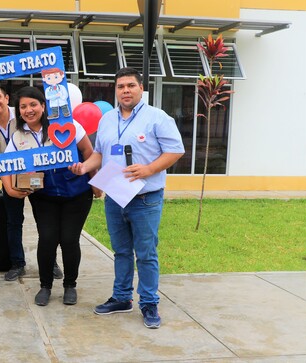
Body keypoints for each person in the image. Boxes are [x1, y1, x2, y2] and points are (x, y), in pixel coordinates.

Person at [69, 67, 185, 329]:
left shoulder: (158, 117)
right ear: (115, 90)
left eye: (130, 85)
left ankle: (149, 303)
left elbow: (176, 150)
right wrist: (84, 168)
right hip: (115, 197)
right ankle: (122, 298)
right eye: (120, 86)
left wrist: (149, 169)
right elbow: (99, 154)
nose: (125, 90)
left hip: (145, 198)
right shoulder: (107, 119)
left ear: (141, 88)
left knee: (145, 254)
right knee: (121, 251)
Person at [1, 86, 96, 307]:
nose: (28, 110)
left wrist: (95, 181)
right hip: (44, 196)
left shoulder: (67, 125)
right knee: (48, 239)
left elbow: (89, 152)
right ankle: (45, 286)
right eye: (23, 106)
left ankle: (70, 286)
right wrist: (11, 189)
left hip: (77, 193)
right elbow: (5, 165)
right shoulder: (18, 136)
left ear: (43, 106)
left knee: (70, 240)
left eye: (33, 104)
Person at [0, 82, 64, 281]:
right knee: (13, 222)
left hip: (38, 178)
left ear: (7, 98)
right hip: (8, 179)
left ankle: (50, 262)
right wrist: (8, 188)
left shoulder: (25, 115)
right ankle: (17, 263)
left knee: (45, 223)